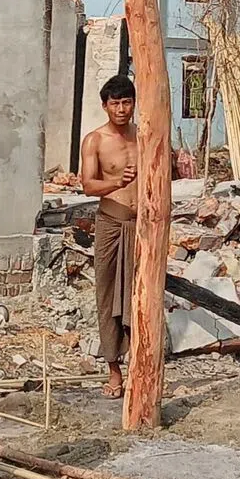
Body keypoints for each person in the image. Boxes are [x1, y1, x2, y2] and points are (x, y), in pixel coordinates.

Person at [80, 74, 138, 399]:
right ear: (105, 106)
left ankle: (138, 367)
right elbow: (87, 185)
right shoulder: (95, 140)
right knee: (107, 295)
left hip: (141, 227)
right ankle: (113, 370)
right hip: (111, 225)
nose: (121, 109)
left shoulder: (144, 136)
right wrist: (118, 183)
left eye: (126, 102)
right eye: (115, 103)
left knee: (139, 295)